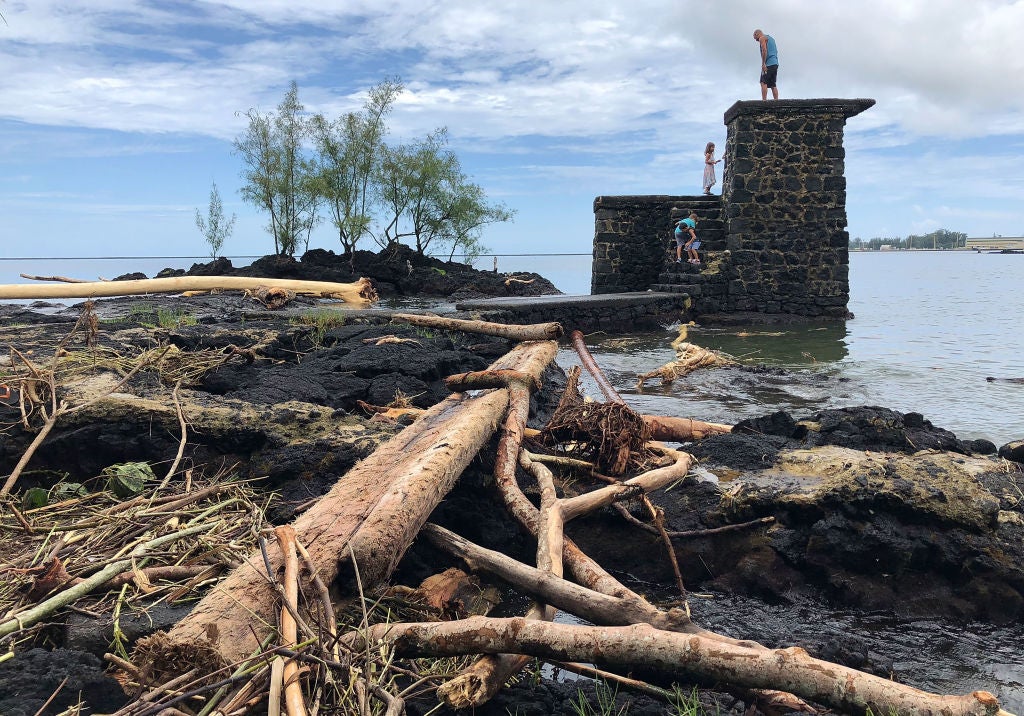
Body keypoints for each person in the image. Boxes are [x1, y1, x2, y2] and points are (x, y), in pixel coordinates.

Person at [753, 29, 779, 100]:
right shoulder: (771, 39)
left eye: (756, 39)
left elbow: (764, 50)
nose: (756, 40)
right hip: (775, 63)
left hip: (768, 64)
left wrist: (763, 63)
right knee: (773, 85)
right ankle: (776, 101)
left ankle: (764, 101)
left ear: (757, 34)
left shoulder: (762, 38)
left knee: (763, 82)